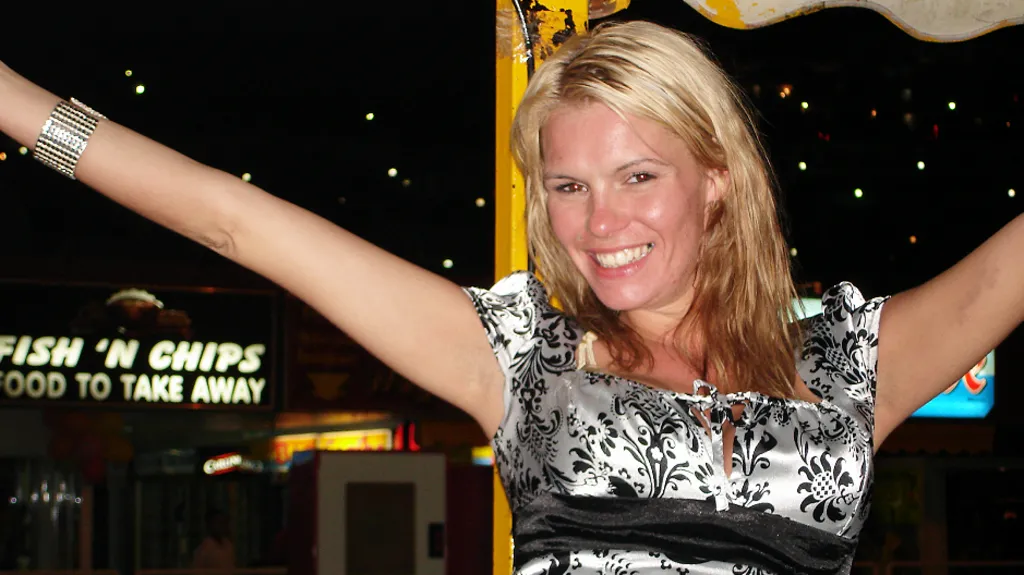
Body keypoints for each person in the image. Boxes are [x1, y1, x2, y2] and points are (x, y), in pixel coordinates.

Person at [1, 19, 1021, 574]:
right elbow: (232, 221)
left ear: (716, 176)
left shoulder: (851, 357)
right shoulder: (519, 352)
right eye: (567, 186)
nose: (598, 224)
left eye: (637, 176)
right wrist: (13, 102)